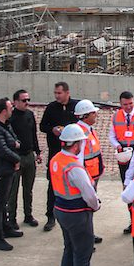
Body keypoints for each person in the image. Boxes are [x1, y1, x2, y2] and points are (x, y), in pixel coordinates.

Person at [50, 123, 104, 266]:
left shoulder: (57, 159)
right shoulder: (74, 167)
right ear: (75, 145)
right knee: (82, 254)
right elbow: (89, 194)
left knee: (69, 250)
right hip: (77, 215)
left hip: (61, 210)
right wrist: (96, 206)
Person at [39, 80, 79, 233]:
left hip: (73, 154)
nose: (57, 96)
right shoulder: (51, 108)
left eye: (59, 93)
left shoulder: (75, 107)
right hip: (55, 153)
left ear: (67, 93)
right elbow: (43, 126)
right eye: (55, 93)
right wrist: (53, 129)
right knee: (52, 184)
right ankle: (50, 216)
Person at [0, 97, 23, 251]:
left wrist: (14, 145)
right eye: (10, 108)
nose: (12, 110)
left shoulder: (5, 125)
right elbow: (2, 150)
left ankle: (6, 228)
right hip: (2, 171)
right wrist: (16, 159)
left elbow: (15, 141)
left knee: (4, 202)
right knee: (0, 204)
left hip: (8, 170)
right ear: (3, 111)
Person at [109, 90, 134, 235]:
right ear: (120, 104)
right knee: (128, 187)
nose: (128, 107)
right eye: (125, 104)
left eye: (131, 103)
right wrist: (117, 146)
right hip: (124, 155)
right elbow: (112, 136)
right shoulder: (116, 117)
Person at [7, 89, 42, 229]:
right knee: (13, 191)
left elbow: (33, 135)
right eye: (23, 100)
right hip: (16, 158)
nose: (27, 103)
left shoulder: (30, 115)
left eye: (28, 100)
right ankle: (12, 218)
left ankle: (28, 215)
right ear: (15, 102)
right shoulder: (10, 118)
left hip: (29, 156)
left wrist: (37, 152)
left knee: (28, 189)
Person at [74, 99, 104, 243]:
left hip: (92, 176)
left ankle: (88, 235)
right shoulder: (81, 133)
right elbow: (78, 160)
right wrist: (85, 179)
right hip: (87, 178)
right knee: (85, 208)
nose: (95, 115)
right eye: (93, 113)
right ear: (85, 115)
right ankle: (85, 238)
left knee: (89, 209)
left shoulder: (88, 130)